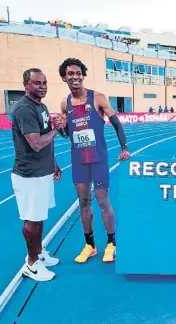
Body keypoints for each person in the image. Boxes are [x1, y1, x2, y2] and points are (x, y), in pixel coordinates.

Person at [57, 58, 130, 264]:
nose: (75, 77)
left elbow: (116, 123)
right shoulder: (65, 103)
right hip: (79, 160)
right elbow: (66, 133)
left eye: (78, 73)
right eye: (70, 73)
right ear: (64, 77)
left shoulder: (97, 98)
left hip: (98, 159)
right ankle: (90, 245)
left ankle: (111, 243)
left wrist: (124, 148)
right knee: (83, 202)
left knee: (102, 202)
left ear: (83, 75)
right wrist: (62, 127)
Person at [11, 68, 66, 282]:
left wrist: (54, 163)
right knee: (31, 220)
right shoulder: (24, 109)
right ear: (26, 85)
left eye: (44, 83)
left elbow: (44, 140)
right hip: (29, 175)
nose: (42, 86)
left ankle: (40, 253)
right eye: (37, 83)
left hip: (42, 172)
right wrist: (57, 130)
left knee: (40, 216)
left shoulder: (41, 106)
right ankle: (31, 263)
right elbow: (36, 144)